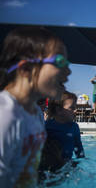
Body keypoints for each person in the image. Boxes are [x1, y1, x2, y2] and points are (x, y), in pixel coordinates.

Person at [0, 26, 71, 188]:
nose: (68, 71)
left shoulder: (35, 114)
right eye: (60, 62)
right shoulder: (4, 115)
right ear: (26, 69)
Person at [45, 91, 85, 163]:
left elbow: (79, 149)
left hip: (67, 164)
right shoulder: (47, 126)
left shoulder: (74, 127)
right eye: (72, 108)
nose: (75, 110)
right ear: (59, 110)